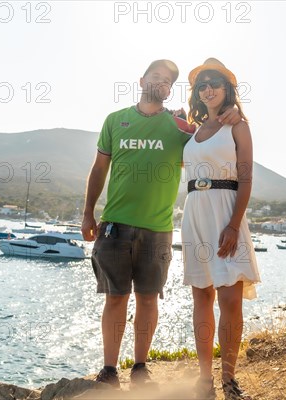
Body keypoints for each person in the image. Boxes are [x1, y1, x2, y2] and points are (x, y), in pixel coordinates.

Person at [81, 59, 241, 389]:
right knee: (115, 298)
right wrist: (87, 213)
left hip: (158, 228)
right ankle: (110, 370)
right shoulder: (115, 120)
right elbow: (98, 170)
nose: (161, 82)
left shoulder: (180, 126)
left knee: (149, 298)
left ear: (171, 90)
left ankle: (140, 367)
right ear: (141, 80)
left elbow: (210, 139)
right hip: (115, 224)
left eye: (168, 81)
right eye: (156, 76)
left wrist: (232, 114)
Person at [181, 58, 260, 399]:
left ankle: (229, 378)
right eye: (201, 84)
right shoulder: (191, 130)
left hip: (226, 210)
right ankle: (204, 378)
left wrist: (233, 224)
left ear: (228, 89)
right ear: (197, 93)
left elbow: (246, 179)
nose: (207, 88)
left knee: (229, 298)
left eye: (214, 82)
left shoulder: (238, 126)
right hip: (194, 213)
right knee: (202, 295)